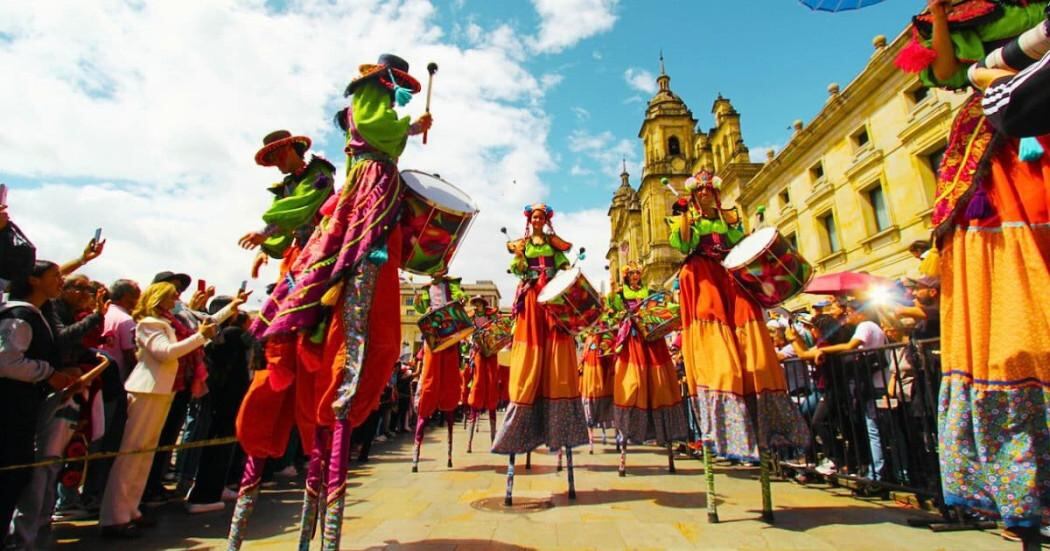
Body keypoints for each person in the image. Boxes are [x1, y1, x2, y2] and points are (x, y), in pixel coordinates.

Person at [234, 53, 430, 550]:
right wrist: (411, 124)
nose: (279, 160)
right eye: (272, 156)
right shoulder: (370, 96)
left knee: (359, 294)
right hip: (362, 202)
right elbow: (371, 124)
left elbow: (371, 132)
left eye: (281, 152)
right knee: (347, 289)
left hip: (367, 200)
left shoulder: (320, 171)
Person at [895, 0, 1050, 540]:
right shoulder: (960, 14)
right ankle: (1021, 489)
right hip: (999, 132)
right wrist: (940, 14)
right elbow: (945, 72)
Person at [669, 169, 808, 522]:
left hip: (733, 283)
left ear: (714, 195)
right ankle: (722, 423)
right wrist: (683, 212)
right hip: (703, 282)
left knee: (755, 358)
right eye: (698, 191)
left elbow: (744, 247)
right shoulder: (688, 220)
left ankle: (764, 419)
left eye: (707, 191)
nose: (703, 194)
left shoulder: (730, 222)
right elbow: (682, 245)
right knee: (720, 359)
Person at [99, 282, 243, 538]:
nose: (177, 297)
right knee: (132, 455)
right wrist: (201, 337)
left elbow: (201, 328)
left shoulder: (169, 323)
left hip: (163, 390)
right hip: (146, 391)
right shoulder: (150, 324)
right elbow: (166, 352)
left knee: (144, 456)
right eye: (172, 294)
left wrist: (230, 307)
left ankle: (131, 510)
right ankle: (115, 516)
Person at [492, 202, 588, 505]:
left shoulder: (553, 245)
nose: (537, 220)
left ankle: (561, 429)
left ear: (546, 221)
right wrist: (521, 260)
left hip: (552, 302)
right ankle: (520, 423)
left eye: (541, 217)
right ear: (529, 220)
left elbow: (563, 268)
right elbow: (518, 271)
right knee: (530, 355)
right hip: (532, 301)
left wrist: (570, 270)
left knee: (558, 355)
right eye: (534, 216)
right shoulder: (521, 245)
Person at [0, 261, 82, 540]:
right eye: (55, 275)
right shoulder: (19, 314)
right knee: (11, 473)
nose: (61, 280)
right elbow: (6, 361)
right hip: (10, 408)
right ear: (34, 281)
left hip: (26, 408)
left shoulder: (41, 315)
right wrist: (48, 374)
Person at [608, 262, 688, 475]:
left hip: (653, 340)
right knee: (633, 383)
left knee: (660, 384)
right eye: (632, 273)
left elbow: (661, 308)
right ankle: (625, 438)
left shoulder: (650, 291)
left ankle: (668, 445)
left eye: (637, 272)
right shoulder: (620, 294)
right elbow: (612, 313)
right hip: (633, 340)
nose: (635, 275)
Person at [185, 297, 253, 513]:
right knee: (219, 447)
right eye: (233, 309)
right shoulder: (231, 335)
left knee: (218, 446)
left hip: (219, 397)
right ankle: (206, 495)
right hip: (227, 398)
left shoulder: (218, 338)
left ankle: (212, 489)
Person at [238, 129, 335, 281]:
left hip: (328, 245)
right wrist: (264, 249)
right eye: (272, 159)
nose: (276, 162)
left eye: (278, 156)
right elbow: (281, 221)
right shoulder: (285, 187)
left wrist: (264, 232)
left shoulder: (319, 171)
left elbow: (298, 208)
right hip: (303, 250)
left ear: (290, 148)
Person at [812, 301, 889, 482]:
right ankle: (869, 469)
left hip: (873, 384)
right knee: (869, 429)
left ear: (861, 313)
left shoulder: (865, 325)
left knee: (873, 431)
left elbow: (849, 347)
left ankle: (875, 475)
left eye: (850, 312)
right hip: (870, 383)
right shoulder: (872, 327)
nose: (848, 316)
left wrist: (823, 350)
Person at [410, 271, 465, 471]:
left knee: (450, 379)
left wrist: (461, 298)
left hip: (450, 334)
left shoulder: (452, 286)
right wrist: (417, 302)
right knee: (430, 379)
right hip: (433, 335)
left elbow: (460, 299)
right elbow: (421, 308)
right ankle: (416, 449)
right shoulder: (426, 290)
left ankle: (449, 449)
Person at [465, 296, 502, 454]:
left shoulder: (491, 315)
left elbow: (499, 328)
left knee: (492, 380)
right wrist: (471, 339)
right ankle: (469, 443)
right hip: (479, 351)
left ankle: (494, 441)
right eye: (476, 303)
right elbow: (465, 332)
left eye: (480, 303)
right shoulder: (471, 317)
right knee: (478, 381)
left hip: (490, 350)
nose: (478, 305)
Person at [579, 306, 615, 454]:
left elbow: (608, 339)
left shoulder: (604, 329)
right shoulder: (587, 334)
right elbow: (582, 337)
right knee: (588, 406)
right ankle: (591, 439)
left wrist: (604, 344)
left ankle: (600, 433)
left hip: (600, 372)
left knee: (600, 398)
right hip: (588, 372)